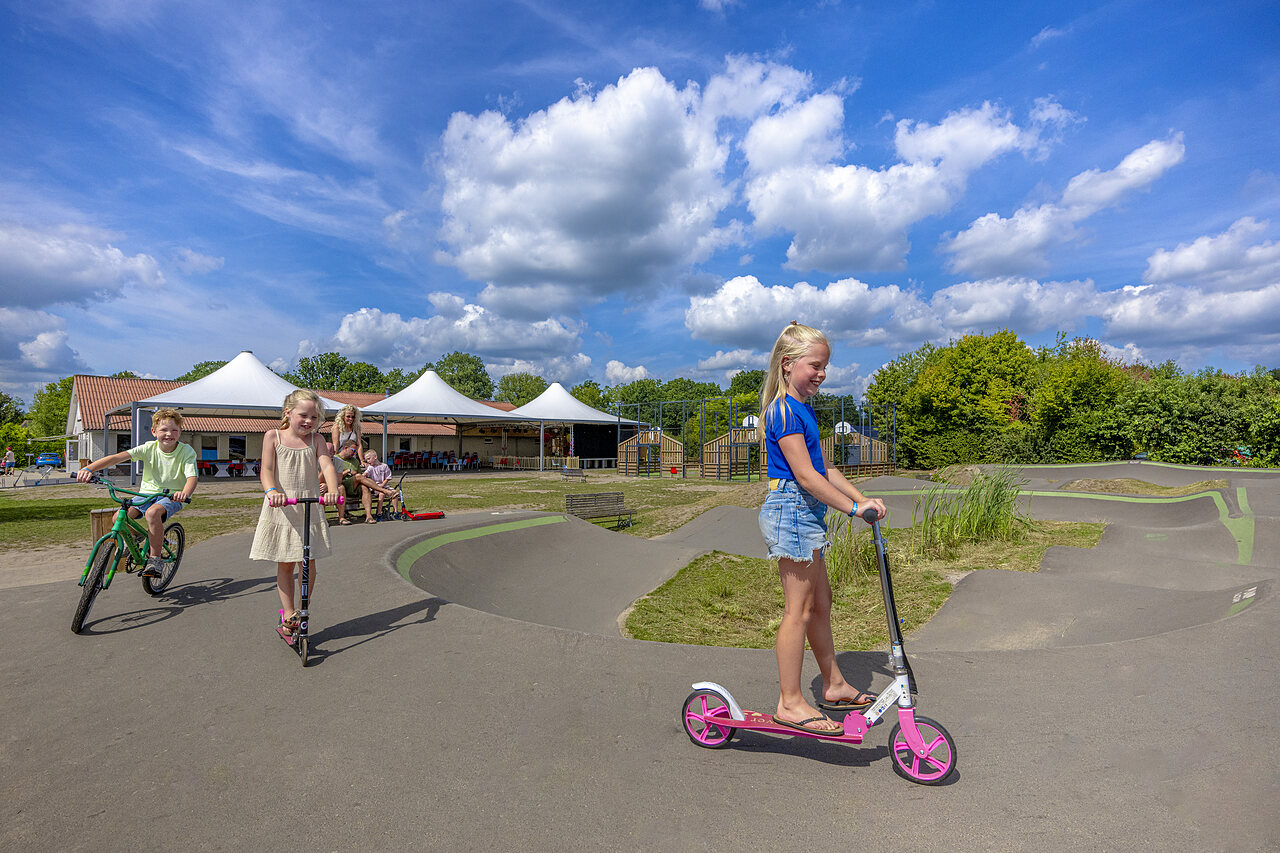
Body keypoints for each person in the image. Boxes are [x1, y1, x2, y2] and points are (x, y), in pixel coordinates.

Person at [758, 322, 888, 735]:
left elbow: (826, 468)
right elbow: (807, 477)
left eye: (825, 366)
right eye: (815, 365)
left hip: (806, 511)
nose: (821, 373)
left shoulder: (803, 410)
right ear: (787, 364)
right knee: (798, 610)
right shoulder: (782, 411)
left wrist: (861, 499)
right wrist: (852, 509)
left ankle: (833, 686)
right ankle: (789, 702)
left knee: (822, 602)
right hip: (792, 508)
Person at [249, 389, 342, 636]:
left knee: (309, 563)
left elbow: (326, 465)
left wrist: (332, 490)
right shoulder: (273, 437)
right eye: (303, 415)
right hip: (282, 507)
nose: (308, 421)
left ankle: (303, 607)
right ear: (288, 413)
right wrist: (271, 491)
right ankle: (288, 612)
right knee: (286, 563)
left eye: (314, 417)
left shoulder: (316, 440)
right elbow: (266, 469)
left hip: (307, 507)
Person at [75, 408, 198, 578]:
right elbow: (117, 458)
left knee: (152, 513)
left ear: (180, 432)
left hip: (173, 495)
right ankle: (140, 538)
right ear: (154, 432)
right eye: (163, 430)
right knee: (119, 516)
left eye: (174, 430)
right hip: (147, 494)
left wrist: (184, 493)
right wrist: (90, 468)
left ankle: (155, 559)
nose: (169, 434)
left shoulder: (186, 451)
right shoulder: (148, 448)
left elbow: (192, 476)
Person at [362, 450, 402, 519]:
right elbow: (365, 473)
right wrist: (363, 475)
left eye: (369, 459)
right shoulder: (371, 467)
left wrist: (382, 485)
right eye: (366, 460)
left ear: (375, 457)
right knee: (381, 494)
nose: (368, 461)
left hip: (384, 486)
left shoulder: (384, 466)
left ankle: (396, 512)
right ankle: (379, 512)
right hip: (375, 487)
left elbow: (387, 478)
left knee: (395, 493)